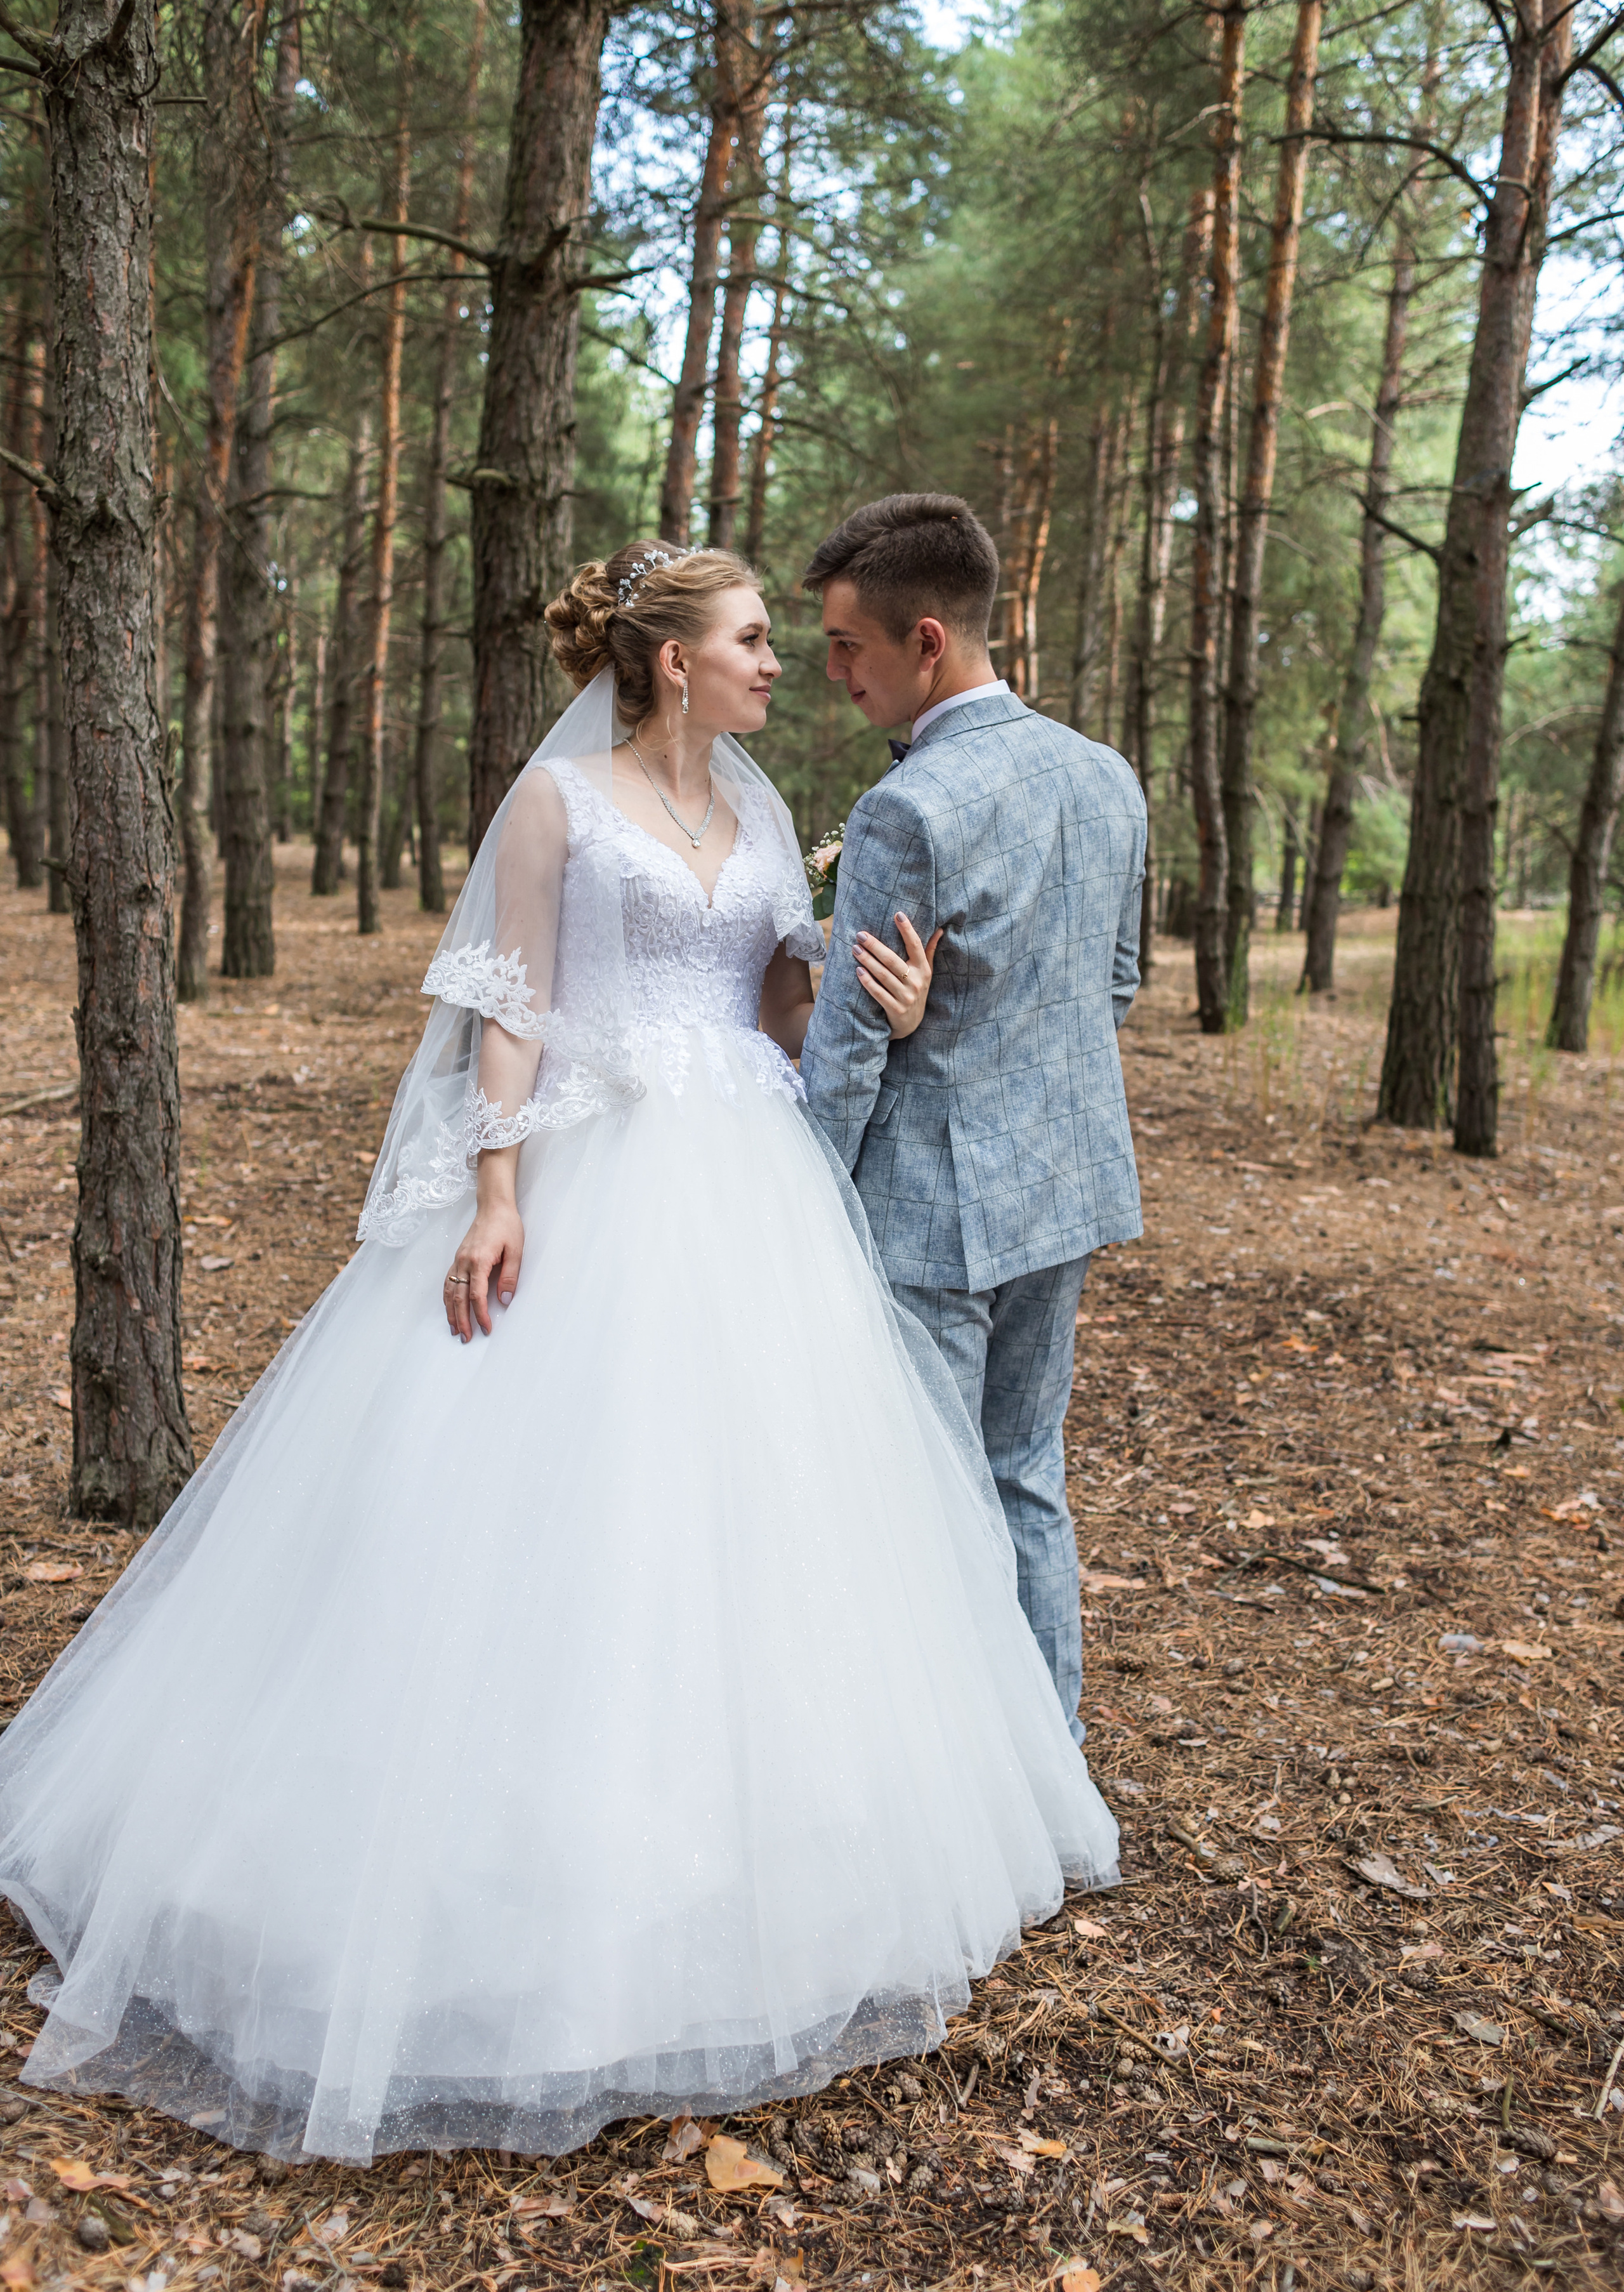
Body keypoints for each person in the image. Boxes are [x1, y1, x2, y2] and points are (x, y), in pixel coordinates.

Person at [0, 542, 1118, 2169]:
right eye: (751, 641)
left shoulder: (751, 817)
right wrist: (497, 1186)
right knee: (546, 1510)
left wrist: (868, 993)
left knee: (764, 1520)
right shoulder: (560, 806)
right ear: (672, 661)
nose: (777, 666)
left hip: (750, 1183)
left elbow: (775, 1013)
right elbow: (504, 1004)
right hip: (601, 1171)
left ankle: (769, 1866)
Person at [800, 494, 1147, 1747]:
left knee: (926, 1495)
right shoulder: (1104, 776)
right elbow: (1112, 988)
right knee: (1022, 1479)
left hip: (930, 1205)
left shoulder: (906, 811)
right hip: (1063, 1188)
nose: (832, 671)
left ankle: (948, 1791)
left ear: (927, 640)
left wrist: (798, 1205)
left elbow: (843, 1050)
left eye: (848, 646)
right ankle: (1043, 1770)